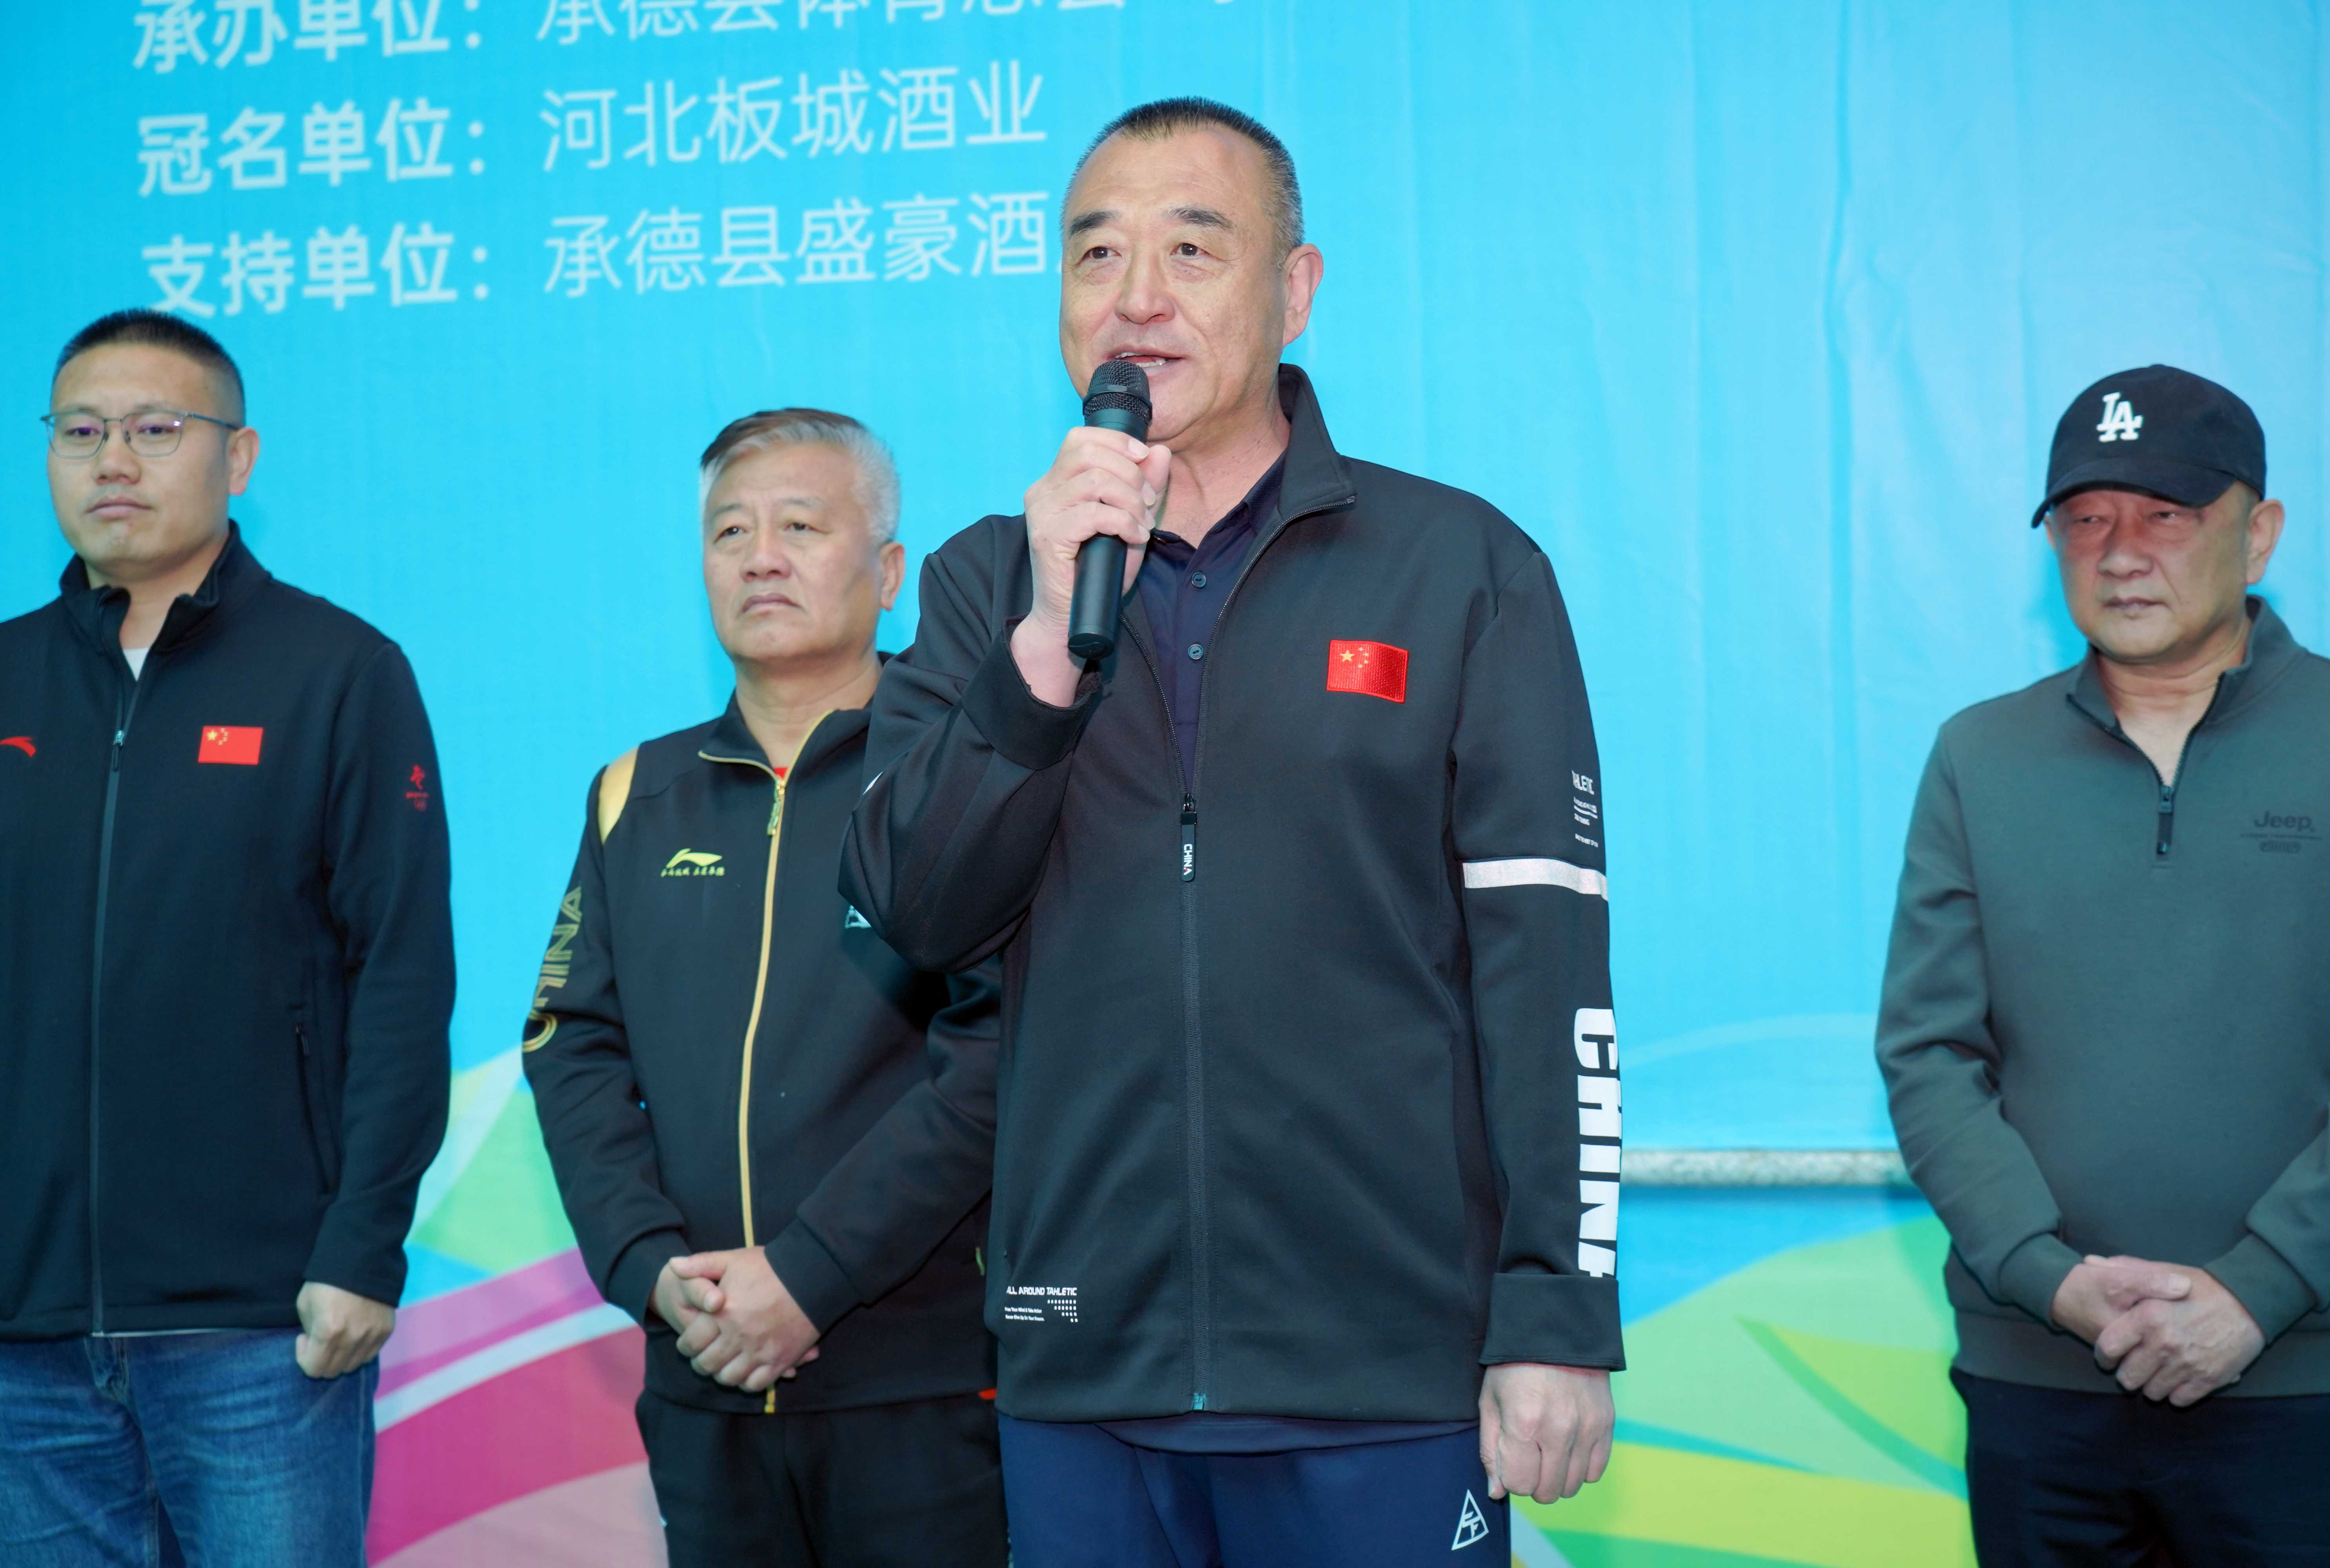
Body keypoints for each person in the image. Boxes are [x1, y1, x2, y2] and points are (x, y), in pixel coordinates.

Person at [844, 99, 1619, 1566]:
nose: (1137, 296)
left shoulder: (1461, 569)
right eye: (1097, 255)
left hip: (1385, 1375)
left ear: (1295, 289)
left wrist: (1557, 1314)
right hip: (1086, 1373)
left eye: (1193, 249)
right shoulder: (987, 586)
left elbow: (1550, 966)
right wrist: (1043, 653)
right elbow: (914, 910)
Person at [0, 309, 454, 1563]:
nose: (113, 461)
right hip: (23, 1345)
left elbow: (401, 975)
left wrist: (363, 1248)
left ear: (238, 457)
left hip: (262, 1327)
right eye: (80, 432)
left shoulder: (338, 671)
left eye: (156, 429)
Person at [1878, 365, 2330, 1564]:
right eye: (2085, 520)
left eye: (2167, 515)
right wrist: (2050, 1281)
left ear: (2260, 535)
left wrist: (2261, 1287)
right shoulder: (1981, 757)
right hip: (2042, 1380)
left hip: (2316, 1382)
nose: (2121, 553)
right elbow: (1930, 1054)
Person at [522, 408, 1006, 1567]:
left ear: (889, 572)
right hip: (701, 1376)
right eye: (730, 532)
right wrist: (651, 1271)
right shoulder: (637, 794)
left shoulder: (961, 780)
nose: (761, 559)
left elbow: (1000, 1054)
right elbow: (571, 1043)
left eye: (801, 526)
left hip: (919, 1384)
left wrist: (811, 1274)